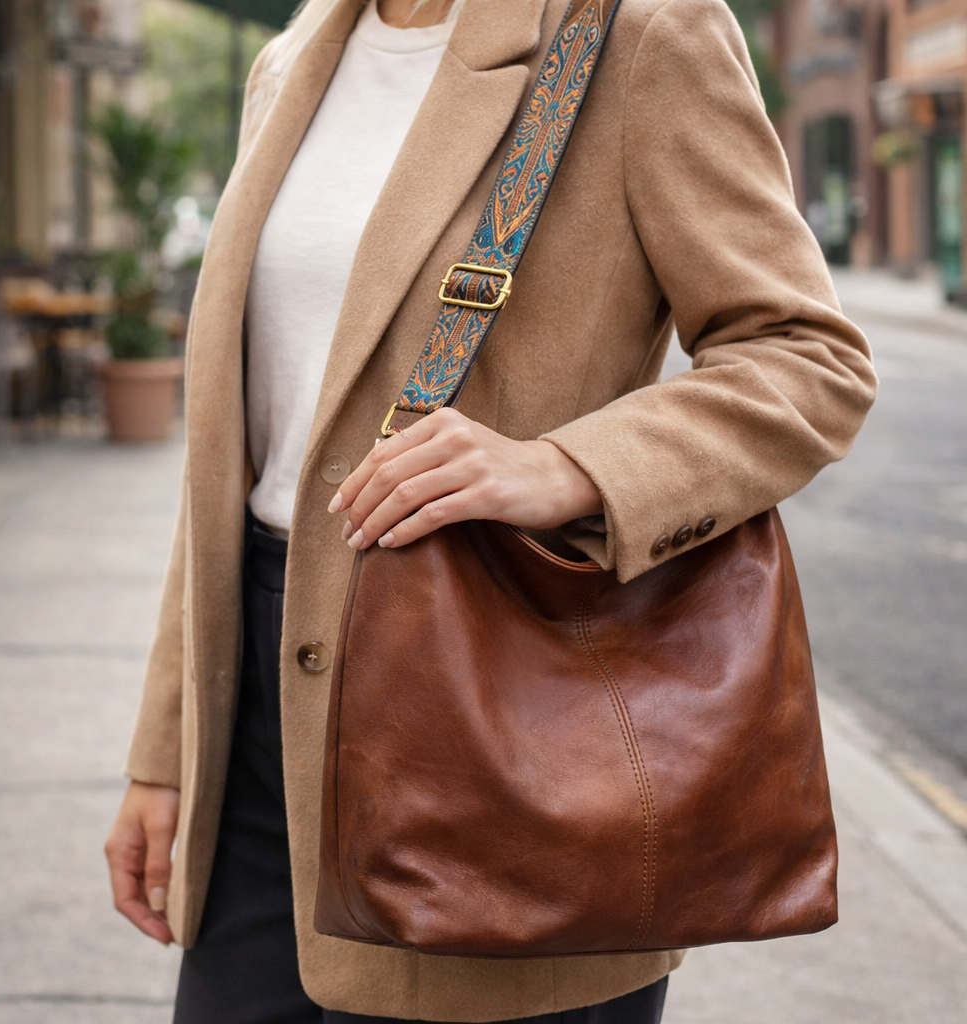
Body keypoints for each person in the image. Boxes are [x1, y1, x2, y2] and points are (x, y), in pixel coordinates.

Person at [104, 0, 877, 1021]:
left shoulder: (643, 36)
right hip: (257, 734)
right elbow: (237, 458)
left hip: (499, 731)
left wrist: (571, 467)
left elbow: (807, 359)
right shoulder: (291, 60)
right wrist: (167, 755)